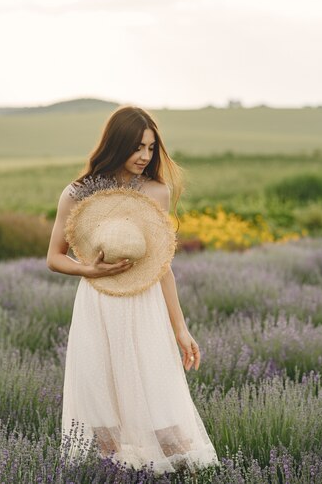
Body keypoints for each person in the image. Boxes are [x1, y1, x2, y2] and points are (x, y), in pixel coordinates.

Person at [46, 105, 220, 475]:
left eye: (151, 148)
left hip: (144, 305)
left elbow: (163, 266)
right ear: (116, 145)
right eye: (137, 147)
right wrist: (89, 269)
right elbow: (53, 257)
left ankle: (177, 474)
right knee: (102, 404)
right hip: (98, 304)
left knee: (158, 399)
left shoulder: (156, 192)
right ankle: (115, 472)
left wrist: (180, 329)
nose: (145, 156)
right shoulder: (78, 192)